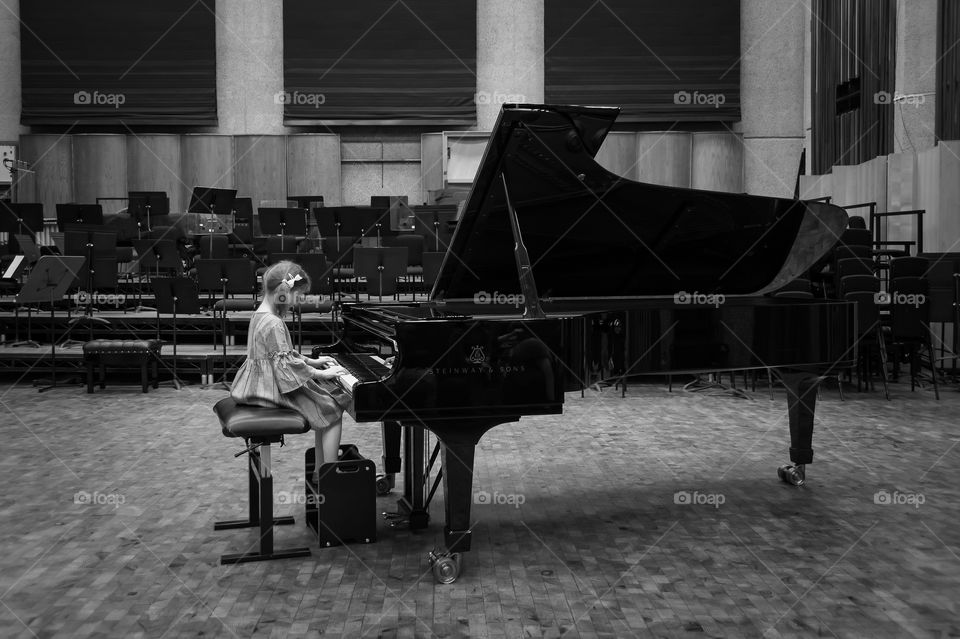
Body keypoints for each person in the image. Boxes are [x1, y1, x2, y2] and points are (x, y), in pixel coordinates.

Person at [230, 260, 352, 479]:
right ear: (284, 293)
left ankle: (319, 472)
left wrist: (312, 363)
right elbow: (285, 365)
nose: (297, 301)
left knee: (324, 403)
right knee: (332, 408)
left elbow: (283, 355)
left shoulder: (260, 315)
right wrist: (321, 374)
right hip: (267, 389)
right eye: (297, 296)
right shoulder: (274, 323)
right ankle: (330, 475)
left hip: (255, 384)